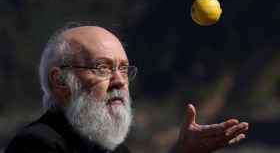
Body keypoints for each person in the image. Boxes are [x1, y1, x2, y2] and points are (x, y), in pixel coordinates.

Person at [5, 24, 249, 153]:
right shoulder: (36, 144)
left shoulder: (110, 148)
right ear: (60, 81)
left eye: (123, 69)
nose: (119, 81)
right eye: (102, 68)